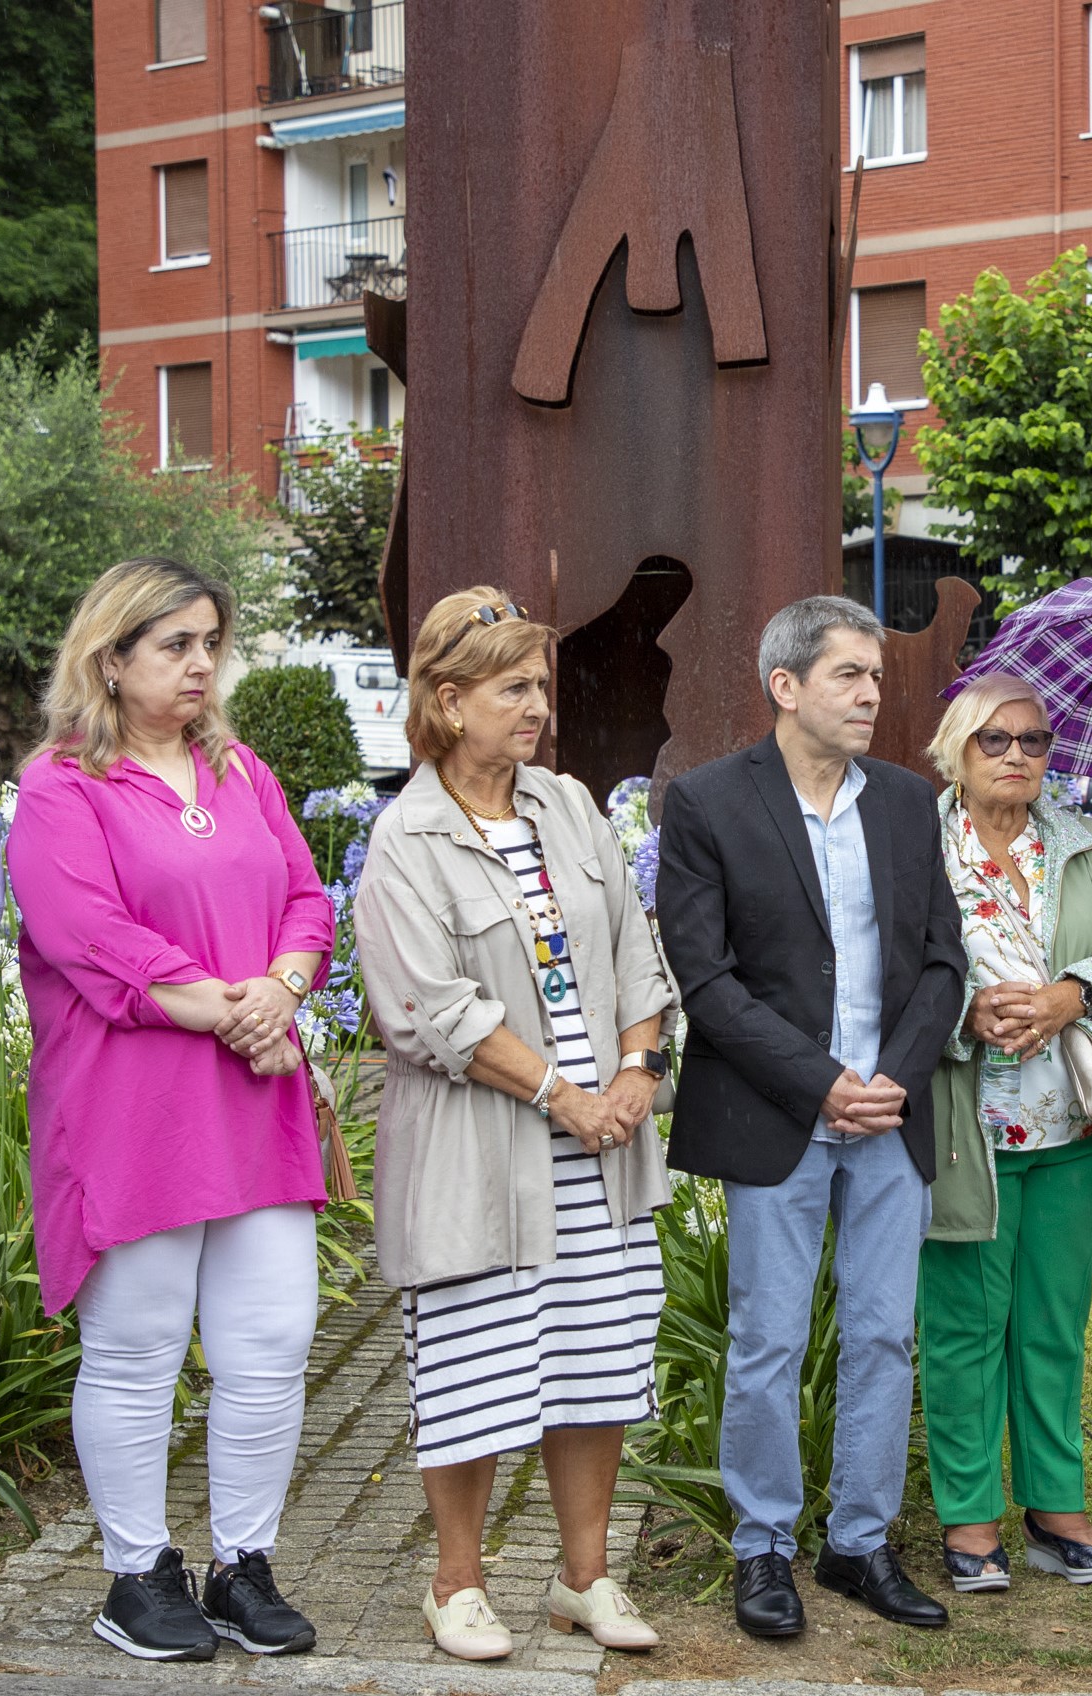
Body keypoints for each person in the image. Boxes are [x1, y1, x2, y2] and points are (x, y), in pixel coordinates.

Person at [4, 558, 336, 1663]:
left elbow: (305, 895)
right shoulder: (62, 784)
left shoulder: (240, 768)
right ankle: (137, 1572)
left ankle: (243, 1564)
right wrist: (229, 1006)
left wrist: (280, 988)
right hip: (134, 1105)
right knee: (139, 1344)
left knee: (272, 1340)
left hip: (255, 1096)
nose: (200, 664)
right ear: (111, 658)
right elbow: (85, 934)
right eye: (173, 645)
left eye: (209, 644)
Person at [352, 586, 676, 1661]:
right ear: (447, 701)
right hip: (484, 1153)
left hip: (603, 1147)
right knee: (476, 1366)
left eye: (540, 685)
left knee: (595, 1359)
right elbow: (429, 1009)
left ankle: (585, 1578)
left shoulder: (567, 807)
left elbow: (635, 940)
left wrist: (635, 1067)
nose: (538, 705)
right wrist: (564, 1094)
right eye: (513, 687)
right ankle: (457, 1585)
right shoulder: (407, 837)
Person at [657, 596, 967, 1638]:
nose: (872, 693)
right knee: (767, 1340)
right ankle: (762, 1550)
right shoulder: (705, 802)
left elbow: (941, 961)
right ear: (785, 686)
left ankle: (859, 1546)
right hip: (775, 1114)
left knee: (884, 1338)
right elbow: (706, 978)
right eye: (849, 675)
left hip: (889, 1116)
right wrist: (822, 1079)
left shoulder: (906, 801)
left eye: (875, 676)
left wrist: (891, 1075)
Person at [921, 675, 1092, 1592]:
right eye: (996, 741)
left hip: (1070, 1116)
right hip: (966, 1123)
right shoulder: (916, 846)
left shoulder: (1083, 842)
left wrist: (1071, 993)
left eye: (1035, 742)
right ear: (958, 749)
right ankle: (968, 1516)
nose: (1017, 757)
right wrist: (964, 1010)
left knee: (1054, 1323)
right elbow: (881, 962)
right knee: (964, 1324)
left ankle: (1055, 1503)